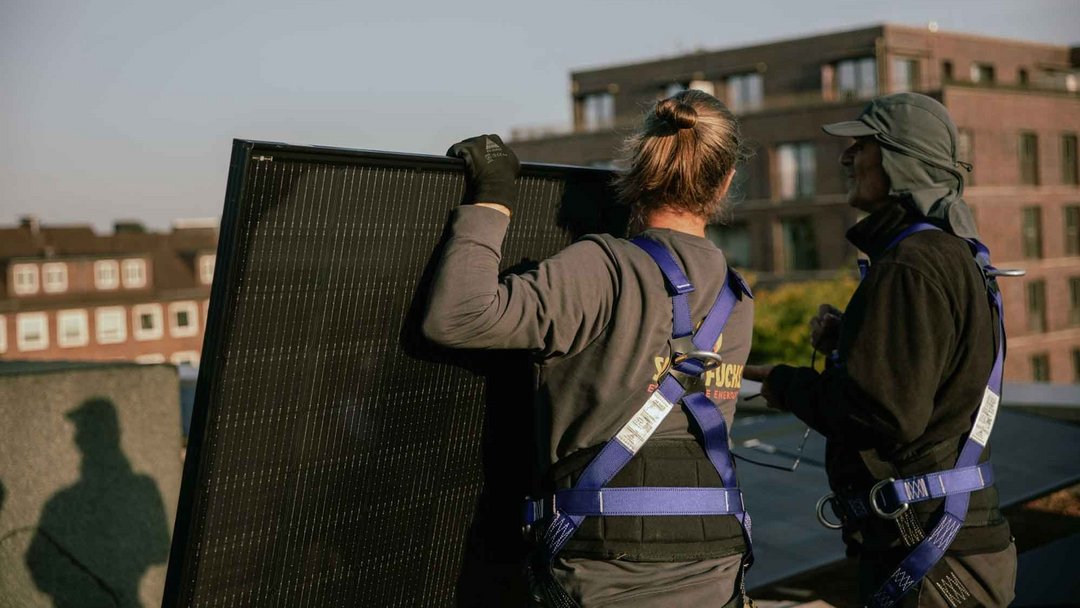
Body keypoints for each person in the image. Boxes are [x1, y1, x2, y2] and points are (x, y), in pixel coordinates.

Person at [424, 89, 755, 607]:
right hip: (717, 564)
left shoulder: (602, 267)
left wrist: (492, 199)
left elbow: (460, 316)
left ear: (636, 167)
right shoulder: (736, 294)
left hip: (609, 574)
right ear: (727, 181)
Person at [743, 92, 1016, 607]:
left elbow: (883, 412)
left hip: (926, 552)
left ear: (899, 160)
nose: (846, 158)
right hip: (954, 540)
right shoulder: (952, 255)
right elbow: (935, 374)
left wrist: (780, 382)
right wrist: (855, 340)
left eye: (861, 145)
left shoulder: (910, 263)